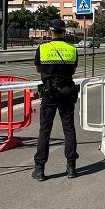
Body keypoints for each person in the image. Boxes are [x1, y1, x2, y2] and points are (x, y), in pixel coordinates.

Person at [32, 18, 79, 181]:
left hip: (49, 92)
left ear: (50, 31)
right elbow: (73, 70)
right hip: (67, 91)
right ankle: (71, 168)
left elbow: (39, 69)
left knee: (45, 130)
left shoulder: (43, 48)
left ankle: (39, 170)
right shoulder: (72, 49)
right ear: (64, 31)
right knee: (69, 128)